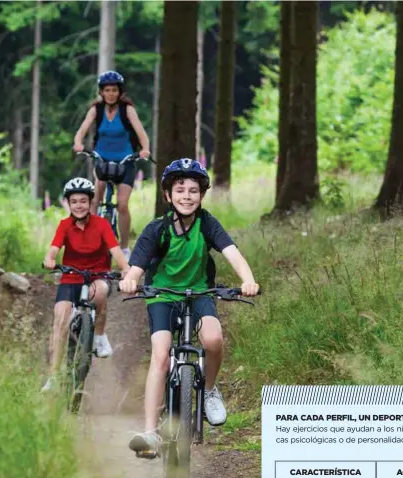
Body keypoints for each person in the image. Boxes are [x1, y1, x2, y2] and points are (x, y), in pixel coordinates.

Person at [118, 158, 260, 456]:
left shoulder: (207, 223)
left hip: (199, 293)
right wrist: (130, 280)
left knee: (213, 339)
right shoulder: (157, 228)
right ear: (168, 195)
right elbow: (137, 267)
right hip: (163, 295)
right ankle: (150, 432)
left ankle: (208, 390)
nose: (186, 196)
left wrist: (248, 280)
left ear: (202, 195)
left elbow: (231, 252)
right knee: (161, 354)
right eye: (179, 189)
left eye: (193, 190)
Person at [41, 177, 129, 392]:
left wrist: (126, 269)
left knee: (100, 293)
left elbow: (115, 250)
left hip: (97, 275)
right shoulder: (65, 225)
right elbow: (54, 248)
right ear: (68, 204)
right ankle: (53, 376)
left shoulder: (101, 224)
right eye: (74, 201)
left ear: (90, 202)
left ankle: (98, 335)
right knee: (60, 320)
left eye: (83, 201)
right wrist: (49, 260)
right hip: (71, 277)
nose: (79, 205)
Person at [72, 70, 151, 262]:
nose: (110, 94)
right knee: (94, 201)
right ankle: (88, 240)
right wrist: (78, 143)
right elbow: (82, 129)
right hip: (103, 161)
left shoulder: (127, 110)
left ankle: (124, 247)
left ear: (119, 91)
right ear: (102, 92)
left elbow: (141, 132)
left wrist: (145, 149)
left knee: (122, 205)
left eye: (114, 90)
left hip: (125, 162)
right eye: (107, 90)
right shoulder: (96, 110)